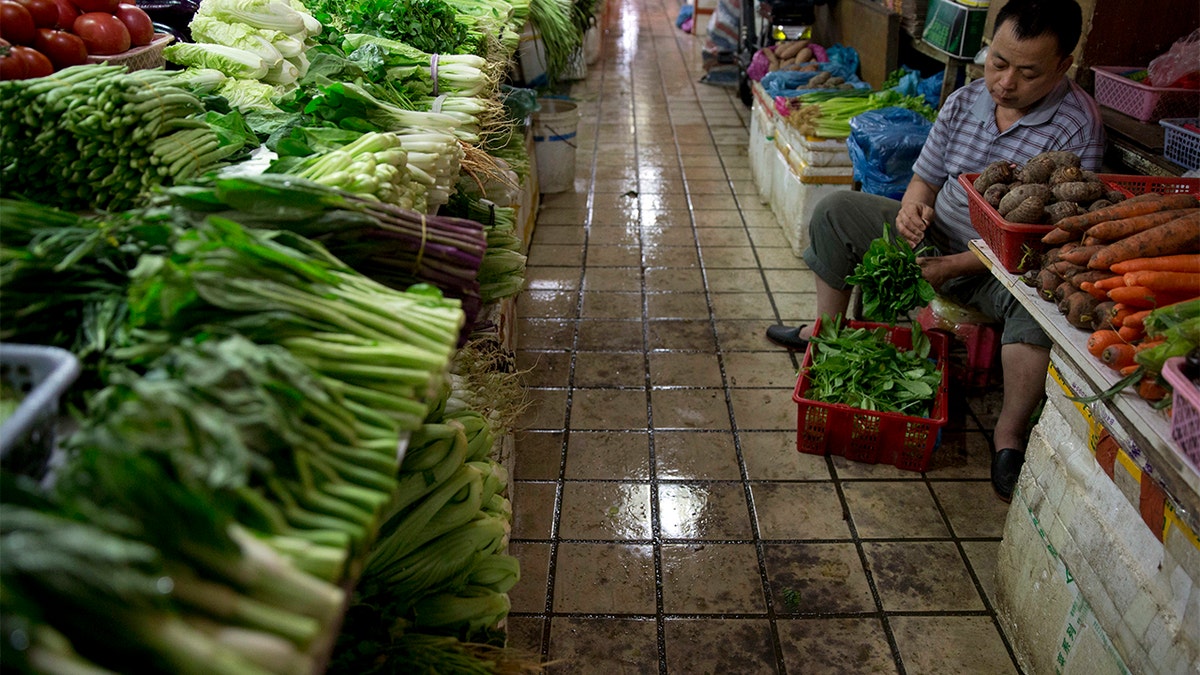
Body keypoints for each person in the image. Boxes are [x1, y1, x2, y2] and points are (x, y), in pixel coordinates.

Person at [765, 0, 1105, 501]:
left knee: (1040, 309)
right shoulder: (965, 101)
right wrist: (911, 211)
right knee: (835, 210)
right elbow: (924, 177)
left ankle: (1009, 437)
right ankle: (828, 335)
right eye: (998, 62)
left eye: (1027, 72)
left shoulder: (1077, 127)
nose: (1006, 82)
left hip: (1006, 267)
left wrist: (954, 266)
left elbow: (1048, 236)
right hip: (934, 239)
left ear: (1062, 65)